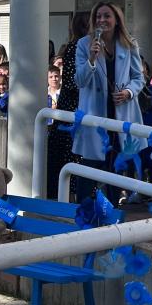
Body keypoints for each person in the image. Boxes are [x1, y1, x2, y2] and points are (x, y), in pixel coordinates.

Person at [73, 1, 145, 201]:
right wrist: (92, 59)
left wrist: (129, 92)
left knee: (115, 169)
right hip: (95, 114)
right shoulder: (84, 44)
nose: (102, 20)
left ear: (117, 20)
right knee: (89, 169)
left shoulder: (129, 44)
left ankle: (112, 215)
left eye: (107, 16)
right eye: (98, 17)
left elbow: (138, 78)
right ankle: (84, 213)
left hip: (120, 113)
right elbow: (79, 80)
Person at [46, 11, 90, 200]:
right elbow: (73, 82)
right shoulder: (75, 47)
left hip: (79, 106)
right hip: (73, 108)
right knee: (71, 153)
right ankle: (70, 198)